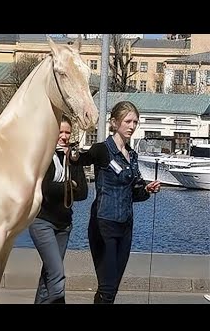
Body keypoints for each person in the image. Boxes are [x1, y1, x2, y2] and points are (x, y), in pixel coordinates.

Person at [71, 101, 161, 304]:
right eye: (127, 121)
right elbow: (81, 158)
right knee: (108, 287)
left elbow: (135, 193)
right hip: (104, 223)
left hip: (126, 226)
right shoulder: (102, 150)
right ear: (114, 123)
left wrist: (147, 190)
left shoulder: (132, 156)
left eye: (135, 122)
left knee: (111, 288)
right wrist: (71, 151)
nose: (132, 126)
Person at [29, 115, 88, 304]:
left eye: (67, 133)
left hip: (64, 226)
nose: (64, 137)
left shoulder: (73, 158)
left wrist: (66, 184)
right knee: (57, 274)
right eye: (60, 132)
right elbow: (46, 189)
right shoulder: (44, 156)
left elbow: (83, 193)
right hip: (42, 222)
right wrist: (70, 185)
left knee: (48, 274)